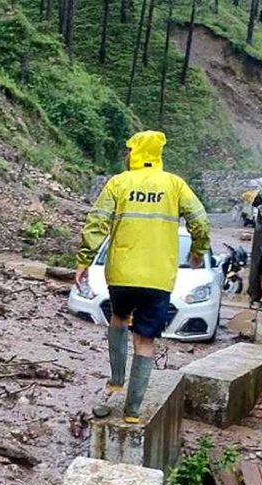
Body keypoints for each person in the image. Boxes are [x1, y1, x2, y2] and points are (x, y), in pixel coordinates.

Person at [75, 131, 211, 424]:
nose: (126, 155)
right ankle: (133, 411)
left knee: (119, 318)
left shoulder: (119, 183)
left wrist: (84, 260)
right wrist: (198, 252)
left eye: (129, 150)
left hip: (122, 274)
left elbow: (96, 223)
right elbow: (200, 221)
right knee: (145, 341)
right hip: (158, 278)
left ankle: (115, 381)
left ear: (135, 153)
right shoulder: (175, 184)